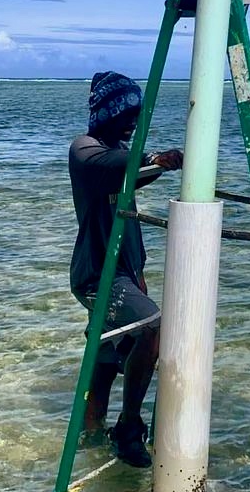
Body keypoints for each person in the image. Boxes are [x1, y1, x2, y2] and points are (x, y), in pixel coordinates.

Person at [68, 71, 183, 466]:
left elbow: (134, 171)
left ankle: (90, 439)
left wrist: (162, 165)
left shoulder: (120, 154)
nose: (133, 122)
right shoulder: (86, 151)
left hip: (125, 272)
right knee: (152, 326)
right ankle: (129, 425)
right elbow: (119, 165)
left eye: (137, 114)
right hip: (97, 275)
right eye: (127, 114)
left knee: (104, 360)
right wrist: (155, 159)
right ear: (107, 112)